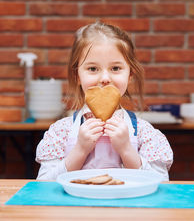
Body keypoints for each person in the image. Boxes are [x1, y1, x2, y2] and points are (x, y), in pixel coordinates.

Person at [36, 21, 173, 180]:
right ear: (77, 75)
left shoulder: (144, 133)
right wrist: (80, 150)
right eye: (93, 69)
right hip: (75, 205)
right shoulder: (60, 132)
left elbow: (161, 183)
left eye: (115, 68)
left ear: (130, 75)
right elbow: (44, 184)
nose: (105, 78)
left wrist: (126, 150)